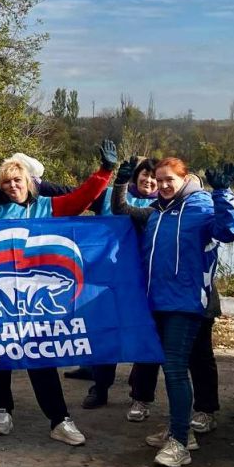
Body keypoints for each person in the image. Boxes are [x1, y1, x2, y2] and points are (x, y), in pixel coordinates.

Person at [0, 141, 118, 445]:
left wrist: (105, 172)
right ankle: (2, 409)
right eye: (5, 181)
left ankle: (59, 419)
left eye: (17, 180)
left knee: (39, 356)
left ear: (29, 182)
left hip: (33, 305)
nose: (11, 186)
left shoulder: (46, 205)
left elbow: (80, 200)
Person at [112, 158, 234, 467]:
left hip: (185, 304)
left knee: (174, 368)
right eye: (159, 180)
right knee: (170, 367)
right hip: (156, 301)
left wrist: (223, 191)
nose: (164, 185)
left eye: (170, 179)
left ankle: (180, 444)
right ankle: (179, 428)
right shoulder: (157, 213)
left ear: (184, 179)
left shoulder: (202, 207)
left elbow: (230, 230)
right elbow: (122, 211)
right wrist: (121, 180)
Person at [77, 157, 159, 411]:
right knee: (108, 332)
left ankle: (139, 392)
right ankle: (100, 387)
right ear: (136, 176)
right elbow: (82, 199)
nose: (148, 180)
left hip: (147, 280)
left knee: (145, 334)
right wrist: (37, 183)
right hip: (114, 277)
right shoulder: (117, 197)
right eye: (144, 175)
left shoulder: (162, 207)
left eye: (154, 178)